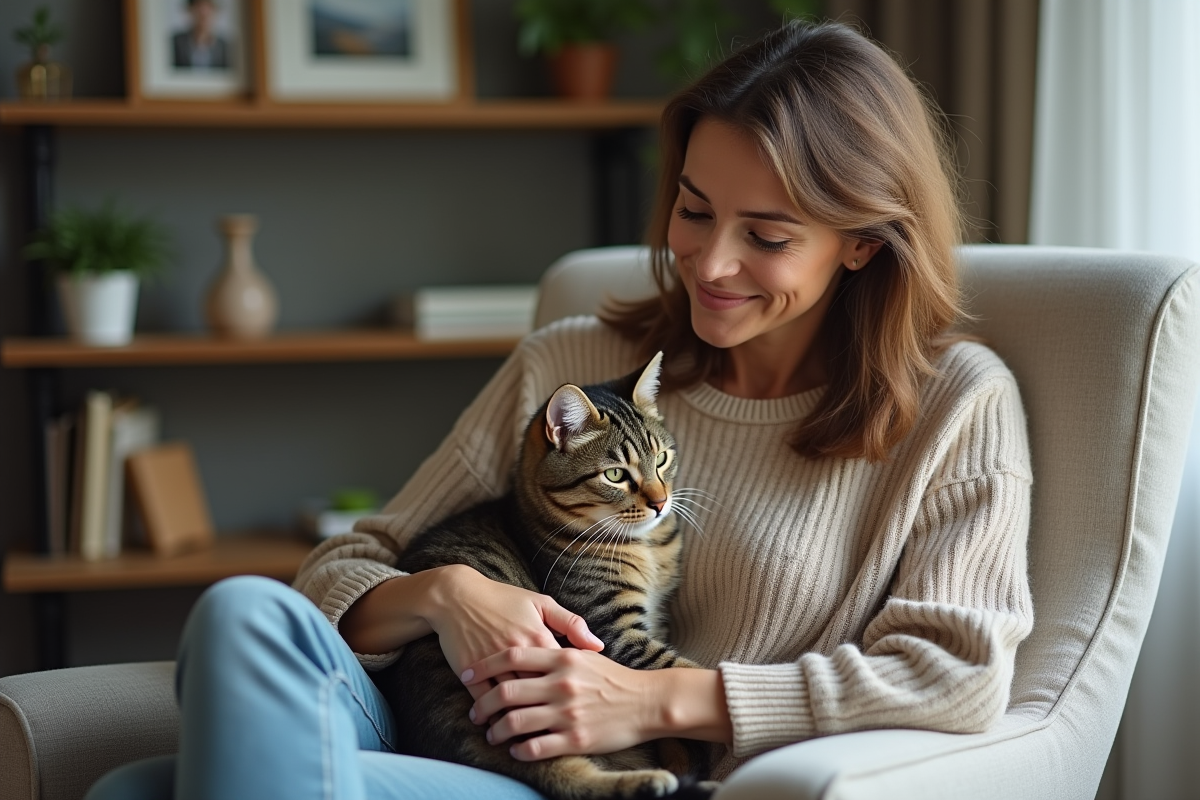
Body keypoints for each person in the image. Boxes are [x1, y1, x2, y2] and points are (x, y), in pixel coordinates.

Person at [87, 19, 1032, 800]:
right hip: (439, 715)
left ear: (863, 245)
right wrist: (453, 597)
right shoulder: (576, 364)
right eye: (695, 210)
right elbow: (348, 564)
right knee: (241, 612)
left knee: (135, 793)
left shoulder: (956, 405)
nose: (708, 263)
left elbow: (956, 675)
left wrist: (655, 704)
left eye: (769, 235)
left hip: (593, 778)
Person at [172, 0, 229, 70]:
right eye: (199, 5)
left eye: (209, 6)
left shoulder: (225, 47)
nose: (204, 12)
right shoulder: (176, 43)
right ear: (190, 9)